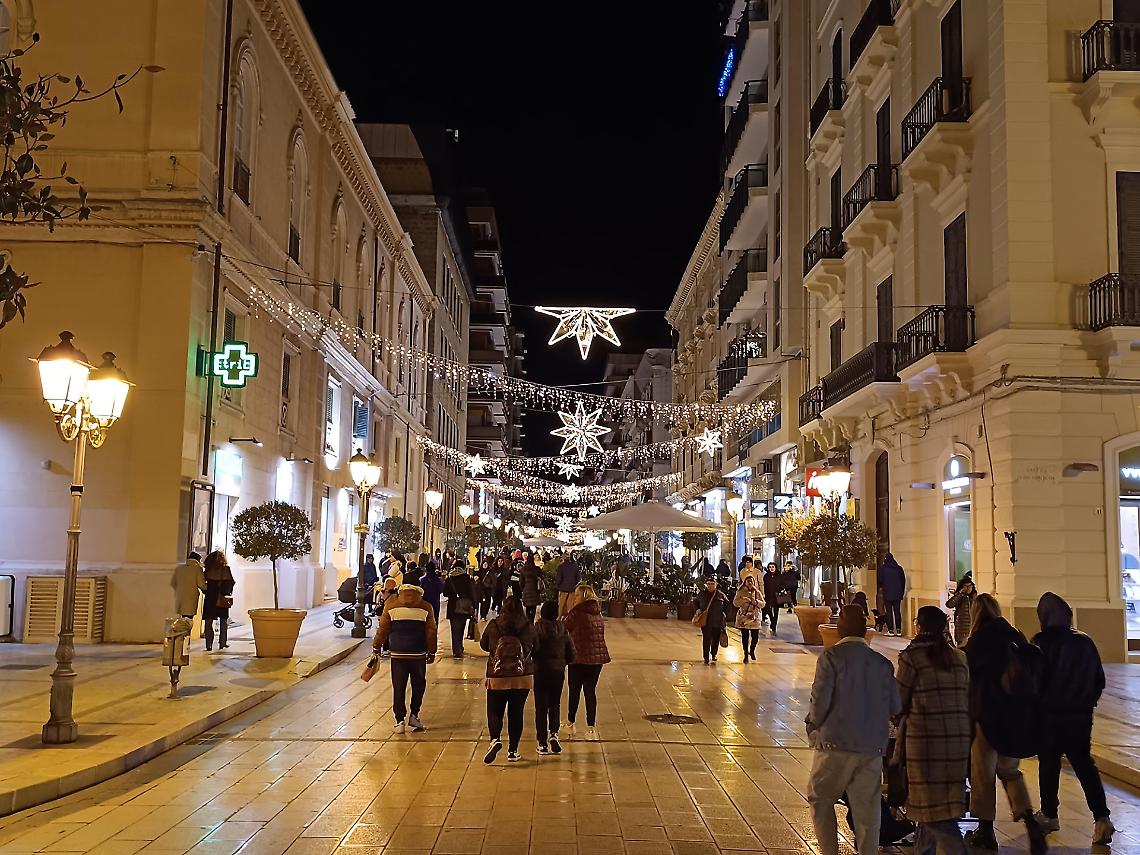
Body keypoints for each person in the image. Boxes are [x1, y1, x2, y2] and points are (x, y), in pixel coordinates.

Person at [806, 605, 901, 855]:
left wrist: (812, 725)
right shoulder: (882, 664)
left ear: (839, 629)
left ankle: (829, 850)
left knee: (820, 798)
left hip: (834, 744)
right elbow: (895, 704)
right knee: (867, 810)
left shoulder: (831, 658)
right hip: (871, 747)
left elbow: (820, 701)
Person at [963, 593, 1049, 854]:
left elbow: (966, 676)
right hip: (1015, 718)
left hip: (986, 718)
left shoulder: (977, 642)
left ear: (976, 614)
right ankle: (1029, 819)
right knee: (1010, 772)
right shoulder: (1016, 637)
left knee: (983, 775)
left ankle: (986, 830)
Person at [1032, 592, 1114, 846]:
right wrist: (1086, 702)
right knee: (1084, 765)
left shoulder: (1040, 643)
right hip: (1080, 716)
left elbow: (1034, 681)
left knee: (1048, 763)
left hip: (1049, 717)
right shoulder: (1085, 642)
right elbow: (1099, 680)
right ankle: (1101, 817)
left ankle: (1049, 813)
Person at [896, 606, 971, 855]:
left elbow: (898, 701)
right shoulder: (958, 657)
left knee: (931, 812)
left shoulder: (912, 657)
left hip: (925, 743)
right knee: (942, 804)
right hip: (958, 741)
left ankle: (957, 850)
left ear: (919, 626)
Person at [372, 582, 437, 734]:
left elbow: (383, 629)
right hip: (418, 653)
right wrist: (432, 651)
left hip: (398, 653)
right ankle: (414, 715)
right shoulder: (426, 607)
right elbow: (431, 632)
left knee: (399, 686)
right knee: (419, 685)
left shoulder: (392, 605)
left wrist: (377, 646)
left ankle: (399, 721)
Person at [480, 596, 537, 763]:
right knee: (516, 713)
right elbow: (537, 646)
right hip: (521, 676)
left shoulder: (494, 624)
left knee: (494, 710)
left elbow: (484, 645)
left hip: (497, 676)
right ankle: (513, 751)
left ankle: (495, 739)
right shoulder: (527, 625)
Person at [563, 584, 610, 739]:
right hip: (596, 659)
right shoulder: (597, 613)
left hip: (578, 657)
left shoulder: (576, 613)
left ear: (581, 597)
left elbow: (563, 629)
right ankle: (591, 728)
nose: (574, 598)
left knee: (574, 691)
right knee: (590, 692)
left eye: (576, 595)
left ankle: (570, 723)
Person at [533, 600, 575, 755]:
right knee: (555, 704)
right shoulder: (562, 629)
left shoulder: (537, 628)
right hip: (557, 672)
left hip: (541, 671)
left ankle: (542, 743)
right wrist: (563, 662)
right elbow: (571, 653)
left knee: (541, 707)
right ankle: (554, 734)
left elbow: (532, 649)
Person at [202, 550, 235, 652]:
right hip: (221, 598)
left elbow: (203, 583)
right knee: (223, 621)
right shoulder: (226, 569)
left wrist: (207, 591)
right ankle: (222, 642)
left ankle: (208, 645)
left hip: (210, 598)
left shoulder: (208, 570)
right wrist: (227, 592)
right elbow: (231, 582)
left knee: (208, 621)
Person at [442, 564, 477, 658]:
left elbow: (445, 593)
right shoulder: (466, 578)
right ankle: (460, 647)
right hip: (464, 606)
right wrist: (475, 605)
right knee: (461, 628)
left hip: (453, 607)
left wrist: (453, 595)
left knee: (454, 630)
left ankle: (456, 650)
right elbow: (471, 592)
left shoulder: (449, 578)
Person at [694, 577, 728, 666]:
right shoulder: (702, 594)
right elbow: (695, 602)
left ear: (716, 585)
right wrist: (698, 609)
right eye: (708, 584)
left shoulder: (720, 595)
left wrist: (724, 614)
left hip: (717, 621)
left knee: (716, 639)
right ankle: (706, 657)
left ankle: (713, 654)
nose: (710, 586)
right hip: (706, 621)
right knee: (706, 639)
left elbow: (728, 605)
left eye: (712, 584)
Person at [733, 571, 763, 662]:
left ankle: (752, 650)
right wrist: (743, 601)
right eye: (748, 581)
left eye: (751, 581)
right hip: (744, 617)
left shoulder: (757, 592)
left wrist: (756, 602)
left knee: (755, 637)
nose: (750, 583)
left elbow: (763, 603)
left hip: (754, 617)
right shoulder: (740, 592)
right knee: (745, 637)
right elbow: (735, 603)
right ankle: (745, 654)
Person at [876, 552, 906, 636]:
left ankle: (891, 630)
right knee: (897, 611)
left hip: (887, 593)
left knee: (889, 612)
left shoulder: (883, 569)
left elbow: (880, 580)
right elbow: (903, 581)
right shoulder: (899, 568)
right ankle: (899, 630)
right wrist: (901, 592)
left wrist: (882, 587)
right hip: (897, 594)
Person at [172, 551, 206, 619]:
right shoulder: (197, 568)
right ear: (198, 559)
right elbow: (201, 584)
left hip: (180, 596)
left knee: (183, 617)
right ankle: (186, 629)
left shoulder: (180, 568)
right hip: (191, 597)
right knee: (189, 619)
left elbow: (173, 583)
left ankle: (183, 629)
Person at [945, 574, 976, 646]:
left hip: (972, 627)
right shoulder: (960, 597)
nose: (968, 588)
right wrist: (960, 593)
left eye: (970, 586)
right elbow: (949, 604)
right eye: (966, 586)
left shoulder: (974, 598)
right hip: (961, 628)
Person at [762, 561, 782, 637]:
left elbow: (782, 584)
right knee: (768, 609)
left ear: (775, 568)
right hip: (768, 595)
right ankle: (772, 620)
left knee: (776, 611)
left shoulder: (779, 575)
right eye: (770, 567)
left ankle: (774, 625)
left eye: (773, 567)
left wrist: (781, 590)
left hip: (776, 596)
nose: (771, 569)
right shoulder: (766, 576)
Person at [521, 552, 542, 621]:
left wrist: (523, 589)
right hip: (535, 590)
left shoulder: (523, 569)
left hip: (526, 590)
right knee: (533, 607)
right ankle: (532, 621)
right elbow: (541, 579)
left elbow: (521, 582)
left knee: (527, 607)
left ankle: (528, 621)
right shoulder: (537, 569)